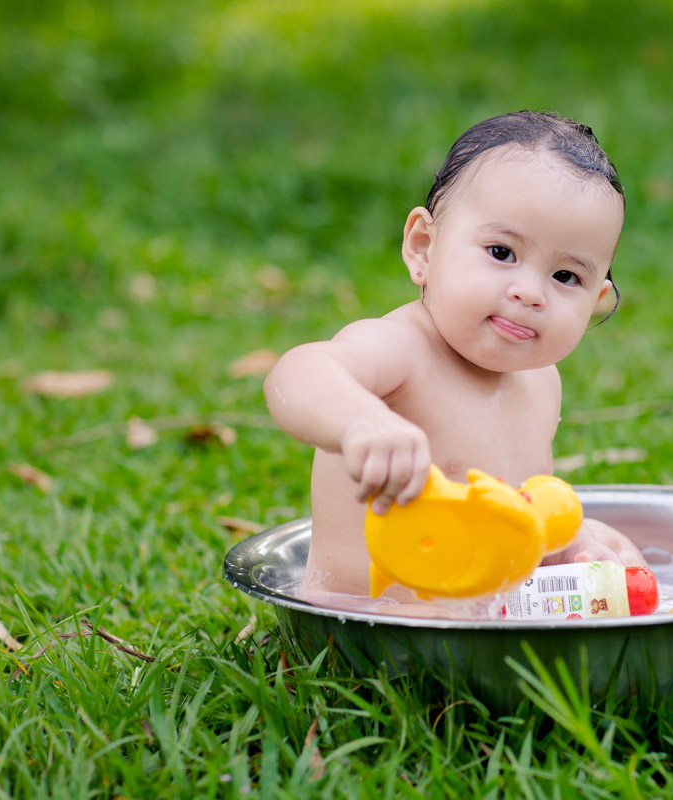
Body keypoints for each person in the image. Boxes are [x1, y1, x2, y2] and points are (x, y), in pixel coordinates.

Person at [265, 111, 645, 608]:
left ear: (597, 299)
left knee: (605, 545)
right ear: (423, 247)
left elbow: (514, 515)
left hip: (482, 619)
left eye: (567, 277)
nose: (529, 292)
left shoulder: (541, 382)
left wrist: (562, 545)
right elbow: (299, 375)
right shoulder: (401, 351)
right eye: (501, 252)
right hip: (371, 626)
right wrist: (362, 422)